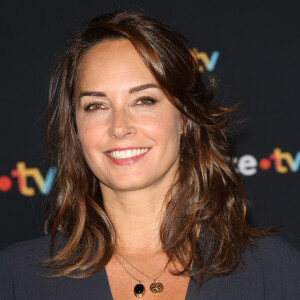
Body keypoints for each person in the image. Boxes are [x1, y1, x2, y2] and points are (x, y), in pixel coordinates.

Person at [1, 10, 300, 300]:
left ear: (185, 117)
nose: (119, 127)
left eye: (144, 100)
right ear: (75, 128)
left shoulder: (275, 272)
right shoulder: (17, 277)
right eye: (96, 105)